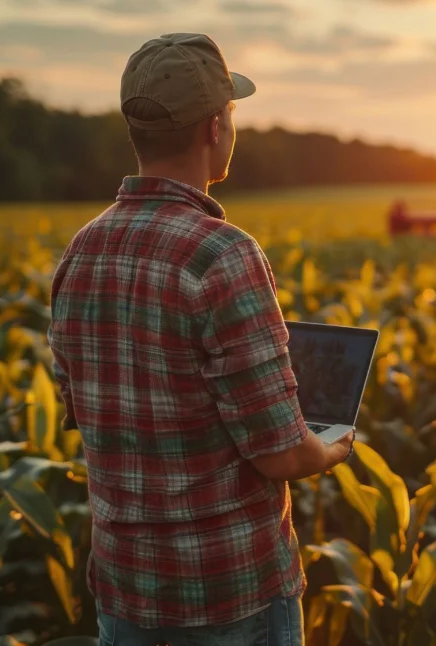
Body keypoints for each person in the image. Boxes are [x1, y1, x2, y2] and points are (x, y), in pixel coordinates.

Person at [46, 33, 353, 646]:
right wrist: (328, 447)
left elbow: (79, 410)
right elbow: (278, 454)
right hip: (228, 595)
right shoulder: (222, 253)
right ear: (215, 127)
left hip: (126, 591)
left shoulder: (79, 252)